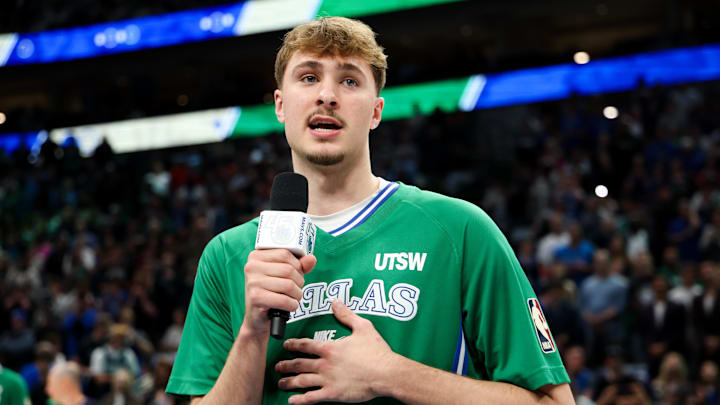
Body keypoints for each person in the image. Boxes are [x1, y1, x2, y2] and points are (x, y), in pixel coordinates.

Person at [166, 16, 573, 405]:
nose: (327, 95)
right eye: (309, 78)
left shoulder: (460, 230)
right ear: (281, 105)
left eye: (349, 80)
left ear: (376, 111)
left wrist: (390, 374)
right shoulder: (226, 256)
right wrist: (252, 333)